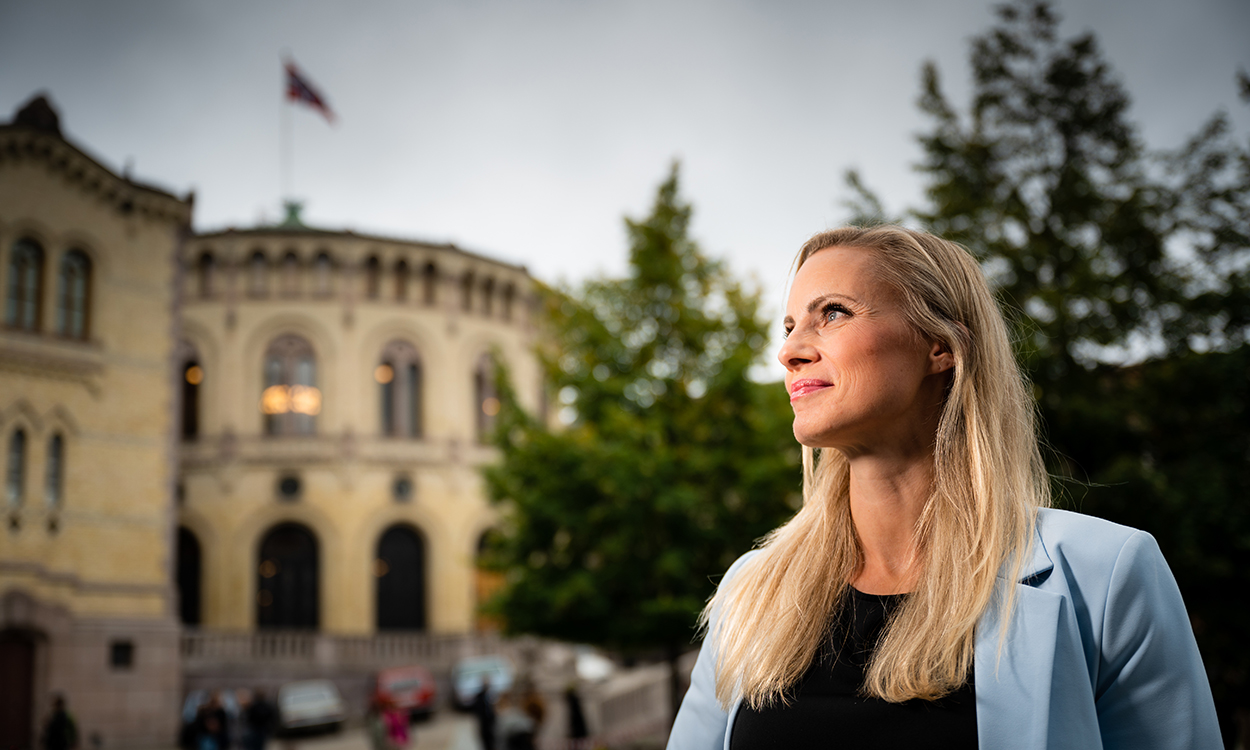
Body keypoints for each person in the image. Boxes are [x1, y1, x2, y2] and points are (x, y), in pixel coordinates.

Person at [667, 226, 1222, 749]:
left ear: (941, 347)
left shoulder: (1105, 574)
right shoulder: (752, 592)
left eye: (832, 313)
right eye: (789, 327)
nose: (790, 351)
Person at [470, 678, 496, 750]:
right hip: (484, 722)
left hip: (492, 722)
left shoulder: (493, 695)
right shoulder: (479, 696)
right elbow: (476, 709)